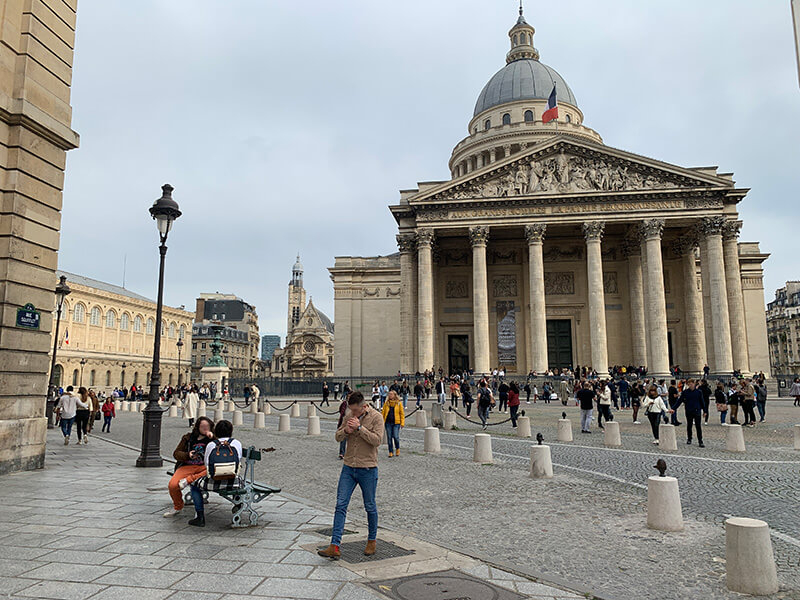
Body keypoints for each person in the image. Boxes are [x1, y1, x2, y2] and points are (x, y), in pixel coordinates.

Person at [318, 392, 383, 560]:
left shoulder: (376, 417)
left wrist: (360, 429)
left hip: (367, 468)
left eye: (355, 410)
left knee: (369, 506)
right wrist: (346, 430)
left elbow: (377, 440)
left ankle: (372, 540)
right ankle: (335, 545)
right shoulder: (348, 416)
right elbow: (337, 436)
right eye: (351, 410)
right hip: (348, 467)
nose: (353, 413)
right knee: (340, 505)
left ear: (363, 406)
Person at [188, 419, 241, 527]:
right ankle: (238, 507)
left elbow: (206, 463)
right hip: (233, 481)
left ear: (216, 431)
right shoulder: (236, 443)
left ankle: (200, 517)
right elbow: (239, 460)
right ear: (231, 431)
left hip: (213, 481)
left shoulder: (211, 445)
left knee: (194, 485)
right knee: (241, 484)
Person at [165, 416, 215, 519]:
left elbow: (222, 447)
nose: (205, 429)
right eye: (203, 426)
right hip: (188, 466)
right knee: (173, 485)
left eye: (207, 426)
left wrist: (214, 438)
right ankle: (178, 506)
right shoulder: (188, 438)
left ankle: (188, 480)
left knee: (211, 470)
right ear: (197, 427)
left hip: (204, 467)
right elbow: (176, 453)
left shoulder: (213, 439)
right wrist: (188, 455)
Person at [673, 379, 707, 447]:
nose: (691, 385)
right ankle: (689, 438)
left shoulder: (699, 392)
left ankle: (700, 440)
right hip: (689, 410)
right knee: (689, 425)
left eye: (692, 383)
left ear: (694, 384)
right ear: (688, 384)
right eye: (689, 384)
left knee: (698, 426)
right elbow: (679, 401)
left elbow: (702, 401)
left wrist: (705, 411)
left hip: (697, 410)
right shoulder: (685, 392)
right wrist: (673, 408)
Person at [381, 391, 405, 458]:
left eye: (391, 394)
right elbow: (383, 413)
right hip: (388, 422)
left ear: (395, 395)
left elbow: (402, 414)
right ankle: (390, 451)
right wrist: (382, 421)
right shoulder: (386, 403)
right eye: (389, 394)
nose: (390, 395)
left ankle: (397, 448)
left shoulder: (399, 403)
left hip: (396, 423)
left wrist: (402, 423)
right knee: (389, 437)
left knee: (396, 436)